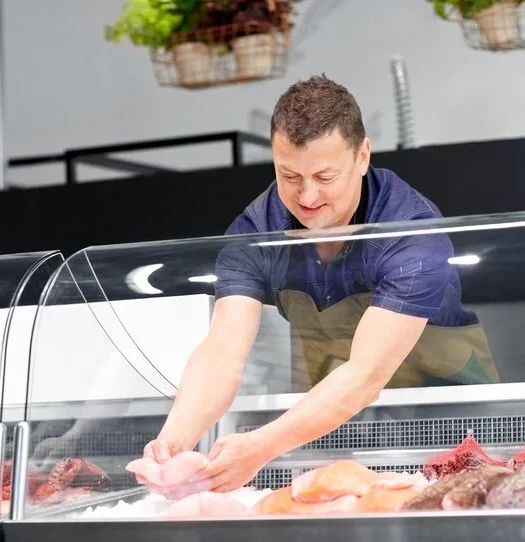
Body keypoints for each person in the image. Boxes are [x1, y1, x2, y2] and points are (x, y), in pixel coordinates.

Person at [142, 75, 499, 494]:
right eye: (289, 176)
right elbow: (222, 352)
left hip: (451, 419)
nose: (307, 196)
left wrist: (260, 447)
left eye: (325, 176)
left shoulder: (411, 235)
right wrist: (172, 441)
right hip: (334, 421)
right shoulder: (257, 233)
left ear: (362, 155)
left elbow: (366, 375)